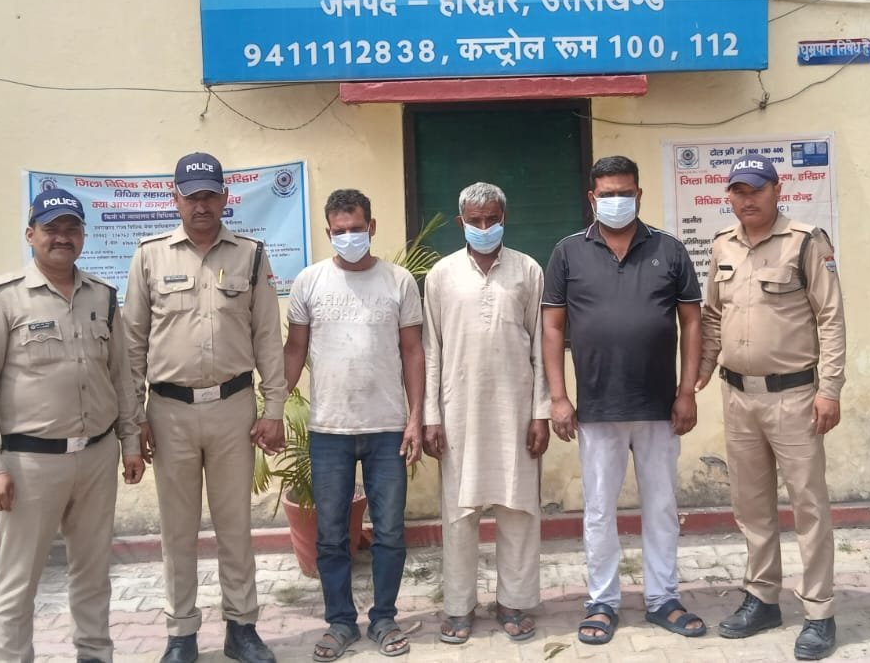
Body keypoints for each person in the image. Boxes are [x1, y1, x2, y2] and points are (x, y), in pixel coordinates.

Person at [0, 188, 146, 663]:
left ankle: (94, 654)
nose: (62, 237)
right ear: (31, 235)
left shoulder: (103, 296)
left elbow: (121, 377)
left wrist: (130, 442)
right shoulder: (2, 299)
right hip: (30, 464)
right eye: (51, 229)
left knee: (93, 572)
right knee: (18, 580)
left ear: (83, 236)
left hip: (97, 456)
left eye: (71, 229)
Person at [121, 152, 287, 663]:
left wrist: (274, 407)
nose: (201, 205)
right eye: (191, 196)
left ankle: (242, 627)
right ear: (175, 198)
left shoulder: (250, 255)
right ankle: (181, 634)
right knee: (178, 529)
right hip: (168, 412)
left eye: (210, 195)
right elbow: (132, 345)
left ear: (224, 198)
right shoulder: (149, 257)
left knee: (235, 525)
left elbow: (267, 336)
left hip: (233, 408)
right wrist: (134, 421)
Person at [542, 155, 707, 646]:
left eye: (625, 193)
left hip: (659, 406)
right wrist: (558, 397)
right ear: (592, 198)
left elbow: (692, 322)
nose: (617, 201)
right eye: (608, 194)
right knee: (598, 510)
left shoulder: (669, 250)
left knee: (661, 505)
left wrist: (686, 391)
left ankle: (663, 598)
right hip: (597, 407)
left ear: (639, 194)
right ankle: (602, 601)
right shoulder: (568, 252)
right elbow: (552, 327)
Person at [698, 153, 846, 660]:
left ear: (777, 190)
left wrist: (830, 389)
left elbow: (831, 318)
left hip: (795, 397)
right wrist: (702, 368)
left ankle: (819, 611)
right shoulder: (722, 244)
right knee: (751, 505)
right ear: (729, 196)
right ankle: (762, 597)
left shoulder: (806, 242)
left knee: (808, 505)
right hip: (738, 396)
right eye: (739, 191)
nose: (748, 199)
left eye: (756, 189)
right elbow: (712, 315)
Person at [284, 188, 425, 661]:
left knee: (390, 531)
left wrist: (416, 418)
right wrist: (271, 408)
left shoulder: (399, 281)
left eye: (357, 229)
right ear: (328, 232)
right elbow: (294, 350)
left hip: (387, 428)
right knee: (330, 535)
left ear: (372, 227)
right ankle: (341, 622)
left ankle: (384, 619)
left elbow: (413, 351)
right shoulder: (309, 282)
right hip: (329, 430)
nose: (349, 237)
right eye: (340, 231)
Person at [422, 182, 551, 645]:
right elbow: (431, 350)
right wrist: (430, 415)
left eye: (491, 219)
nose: (483, 227)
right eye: (474, 221)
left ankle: (514, 602)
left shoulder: (528, 270)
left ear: (504, 219)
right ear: (460, 222)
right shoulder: (441, 275)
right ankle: (459, 607)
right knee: (459, 515)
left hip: (516, 410)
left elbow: (542, 346)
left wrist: (541, 412)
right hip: (458, 411)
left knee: (519, 510)